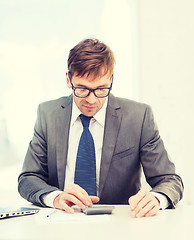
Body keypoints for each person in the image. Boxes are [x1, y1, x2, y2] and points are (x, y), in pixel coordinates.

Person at [18, 38, 183, 218]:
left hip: (120, 225)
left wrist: (156, 199)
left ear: (111, 80)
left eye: (101, 89)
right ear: (68, 79)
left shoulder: (138, 116)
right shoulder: (47, 114)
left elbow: (170, 180)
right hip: (62, 222)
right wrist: (56, 197)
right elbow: (28, 178)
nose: (91, 100)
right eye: (81, 89)